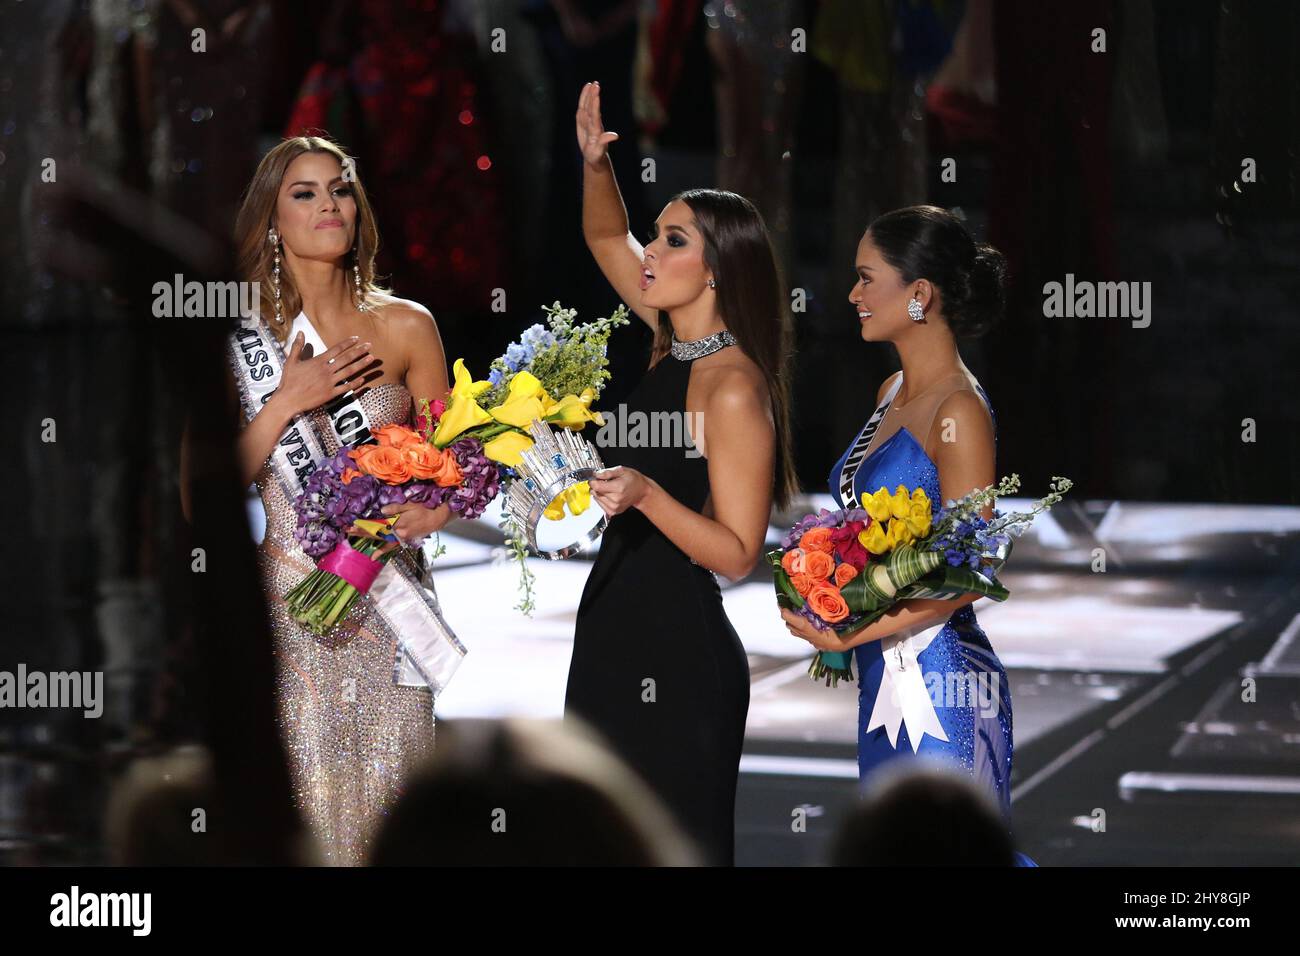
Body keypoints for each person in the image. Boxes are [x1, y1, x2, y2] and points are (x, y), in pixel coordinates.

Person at [565, 82, 796, 865]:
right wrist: (597, 164)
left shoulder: (731, 384)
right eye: (657, 238)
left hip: (678, 654)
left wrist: (647, 495)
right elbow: (605, 236)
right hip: (613, 631)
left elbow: (738, 554)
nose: (650, 254)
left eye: (672, 242)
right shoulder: (669, 337)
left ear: (718, 269)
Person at [228, 135, 465, 865]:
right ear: (272, 217)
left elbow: (454, 462)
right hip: (290, 608)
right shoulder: (239, 335)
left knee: (393, 812)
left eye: (339, 189)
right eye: (305, 192)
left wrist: (438, 511)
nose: (328, 204)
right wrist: (285, 402)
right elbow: (197, 489)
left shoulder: (407, 324)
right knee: (306, 813)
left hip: (390, 600)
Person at [782, 205, 1035, 866]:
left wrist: (847, 630)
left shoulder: (960, 411)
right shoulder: (891, 388)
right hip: (884, 676)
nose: (853, 294)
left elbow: (971, 571)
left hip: (942, 679)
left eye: (867, 278)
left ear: (919, 295)